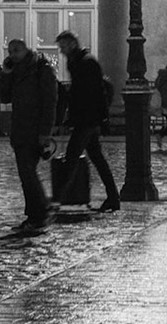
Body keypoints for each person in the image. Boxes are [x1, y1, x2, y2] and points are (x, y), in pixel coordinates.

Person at [51, 30, 121, 213]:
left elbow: (94, 93)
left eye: (64, 47)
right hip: (86, 117)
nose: (62, 51)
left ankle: (58, 198)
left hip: (87, 118)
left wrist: (100, 118)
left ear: (73, 44)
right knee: (97, 158)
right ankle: (113, 197)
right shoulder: (77, 62)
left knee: (72, 155)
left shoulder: (86, 62)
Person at [0, 36, 58, 234]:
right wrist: (6, 74)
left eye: (16, 50)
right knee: (26, 174)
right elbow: (4, 97)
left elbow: (50, 102)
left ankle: (41, 212)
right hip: (20, 128)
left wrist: (45, 132)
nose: (12, 55)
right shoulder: (16, 71)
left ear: (26, 50)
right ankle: (35, 214)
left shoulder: (41, 69)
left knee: (28, 172)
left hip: (35, 128)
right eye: (10, 51)